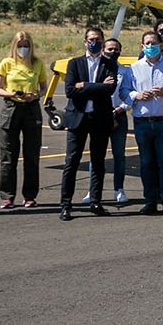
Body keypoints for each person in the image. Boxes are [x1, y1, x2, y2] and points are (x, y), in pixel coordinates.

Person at [120, 29, 163, 216]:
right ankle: (150, 201)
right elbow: (124, 92)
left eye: (154, 43)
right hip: (142, 122)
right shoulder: (134, 68)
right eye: (147, 44)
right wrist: (137, 95)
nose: (150, 47)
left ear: (160, 45)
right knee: (146, 163)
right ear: (142, 46)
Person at [59, 26, 119, 221]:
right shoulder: (74, 64)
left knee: (98, 162)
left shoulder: (110, 64)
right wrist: (96, 87)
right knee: (72, 162)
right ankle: (66, 204)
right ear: (85, 42)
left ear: (102, 42)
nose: (95, 42)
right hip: (78, 118)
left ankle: (96, 201)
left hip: (100, 118)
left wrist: (84, 85)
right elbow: (70, 90)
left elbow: (109, 89)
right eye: (91, 39)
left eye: (98, 39)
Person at [0, 31, 48, 209]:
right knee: (8, 154)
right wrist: (12, 94)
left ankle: (30, 195)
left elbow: (44, 88)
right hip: (11, 108)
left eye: (26, 45)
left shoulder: (38, 63)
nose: (23, 49)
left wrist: (35, 96)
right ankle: (7, 196)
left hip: (31, 109)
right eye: (20, 45)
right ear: (14, 46)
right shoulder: (6, 63)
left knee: (32, 154)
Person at [102, 38, 132, 206]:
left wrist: (117, 111)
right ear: (103, 50)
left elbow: (129, 96)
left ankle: (118, 189)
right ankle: (93, 190)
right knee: (96, 154)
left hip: (118, 115)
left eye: (116, 49)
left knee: (119, 155)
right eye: (110, 49)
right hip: (100, 116)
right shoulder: (98, 70)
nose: (113, 52)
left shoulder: (125, 71)